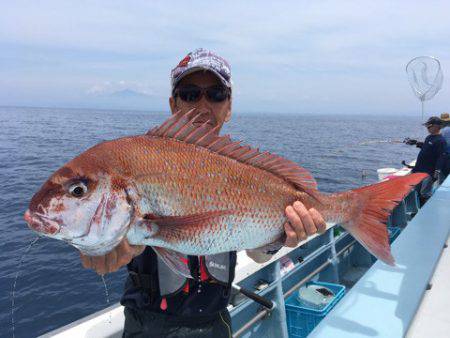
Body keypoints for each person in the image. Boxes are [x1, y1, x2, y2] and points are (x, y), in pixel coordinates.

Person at [80, 48, 326, 338]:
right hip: (148, 325)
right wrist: (97, 252)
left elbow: (258, 254)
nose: (203, 105)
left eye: (216, 94)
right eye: (190, 94)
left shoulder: (243, 171)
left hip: (215, 324)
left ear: (229, 106)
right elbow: (95, 251)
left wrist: (282, 238)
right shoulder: (139, 159)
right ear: (173, 104)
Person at [407, 116, 447, 204]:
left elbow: (442, 156)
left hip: (428, 172)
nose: (427, 128)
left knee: (425, 193)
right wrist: (415, 143)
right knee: (415, 190)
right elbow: (426, 146)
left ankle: (427, 210)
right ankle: (417, 209)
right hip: (418, 169)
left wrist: (437, 170)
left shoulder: (441, 141)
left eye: (429, 126)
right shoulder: (429, 137)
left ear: (436, 127)